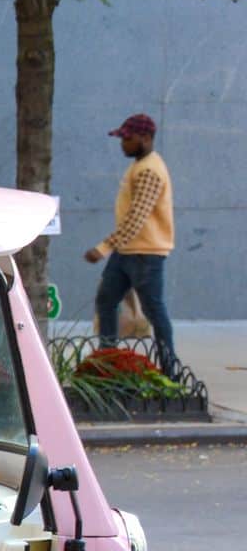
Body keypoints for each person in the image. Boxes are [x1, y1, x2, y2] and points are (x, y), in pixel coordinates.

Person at [86, 113, 176, 371]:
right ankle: (108, 361)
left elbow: (136, 218)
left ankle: (171, 371)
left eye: (128, 138)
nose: (123, 144)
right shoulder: (140, 165)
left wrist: (102, 248)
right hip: (128, 251)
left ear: (145, 138)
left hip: (145, 253)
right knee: (106, 300)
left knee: (154, 310)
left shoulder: (150, 170)